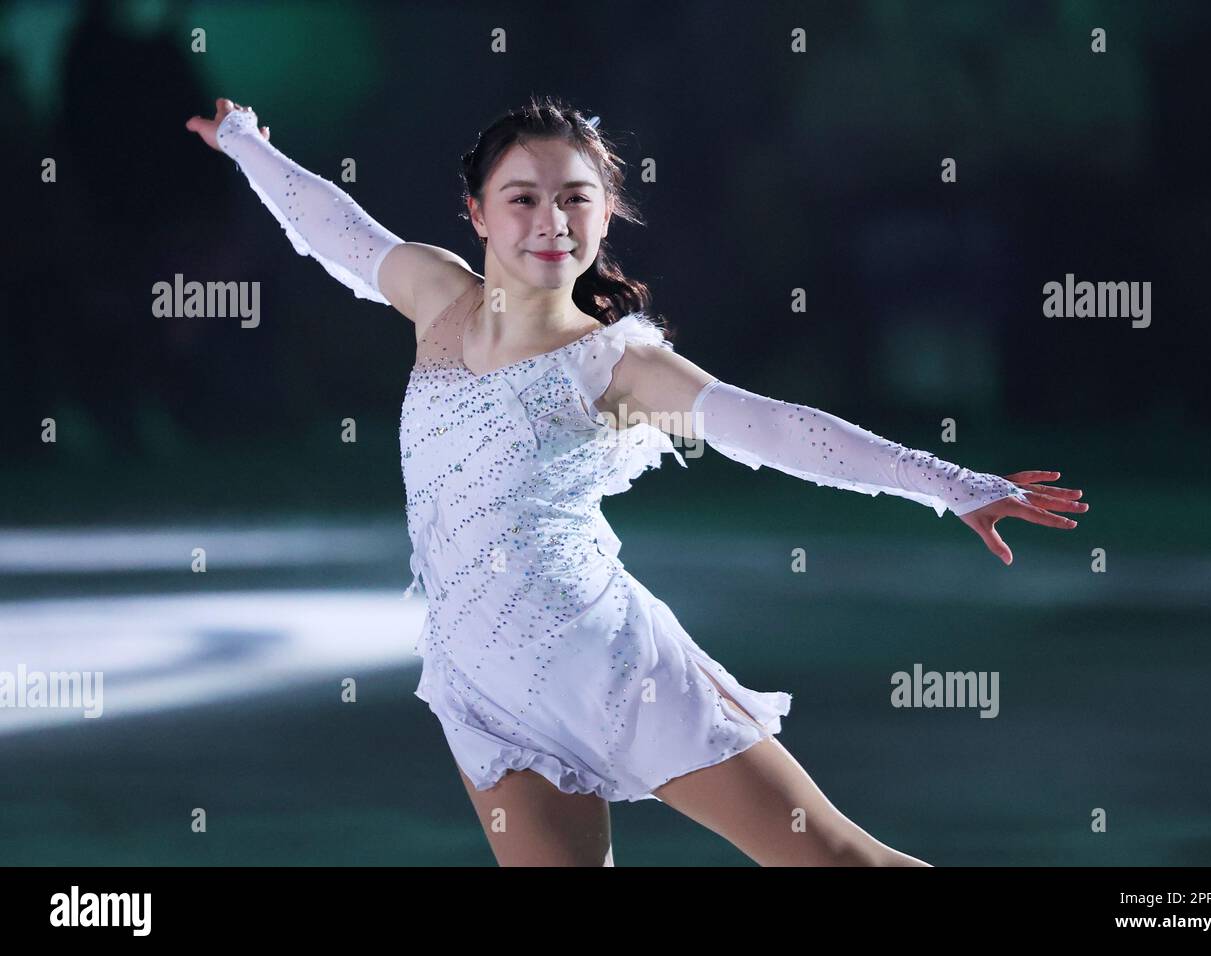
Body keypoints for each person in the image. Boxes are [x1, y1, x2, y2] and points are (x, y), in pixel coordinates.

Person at [186, 94, 1087, 867]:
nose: (551, 223)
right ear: (478, 213)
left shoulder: (616, 365)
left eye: (575, 200)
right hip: (478, 684)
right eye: (524, 199)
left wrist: (949, 482)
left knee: (833, 859)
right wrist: (247, 144)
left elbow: (772, 430)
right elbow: (333, 227)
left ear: (605, 212)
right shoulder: (438, 296)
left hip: (610, 668)